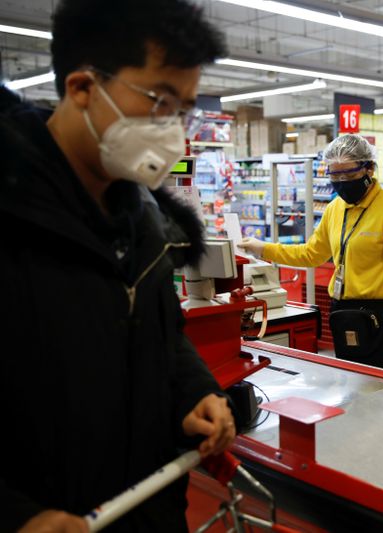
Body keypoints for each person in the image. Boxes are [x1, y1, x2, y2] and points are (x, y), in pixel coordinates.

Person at [0, 1, 235, 531]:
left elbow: (163, 337)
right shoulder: (12, 219)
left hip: (148, 511)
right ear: (82, 88)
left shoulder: (144, 223)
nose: (173, 128)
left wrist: (194, 390)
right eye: (160, 101)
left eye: (185, 109)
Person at [240, 134, 383, 372]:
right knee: (350, 385)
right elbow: (311, 254)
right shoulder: (335, 209)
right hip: (342, 312)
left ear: (369, 169)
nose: (341, 182)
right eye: (335, 176)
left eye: (348, 175)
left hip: (382, 316)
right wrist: (263, 248)